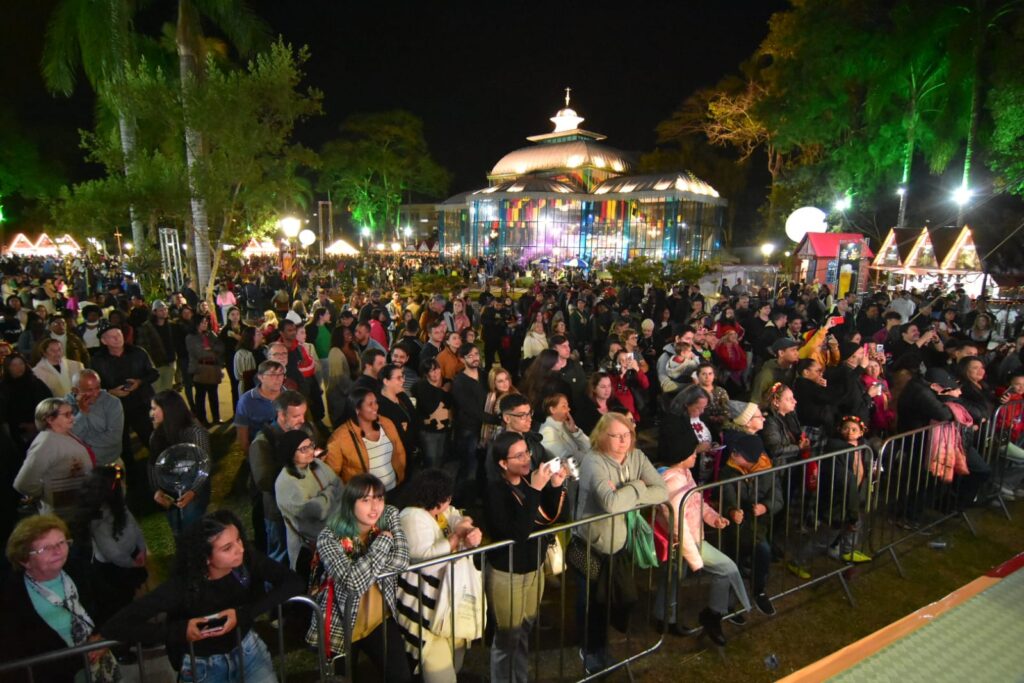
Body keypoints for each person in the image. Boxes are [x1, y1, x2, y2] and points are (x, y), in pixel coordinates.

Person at [103, 510, 302, 683]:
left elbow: (294, 582)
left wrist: (244, 614)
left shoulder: (247, 561)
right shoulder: (182, 587)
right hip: (203, 668)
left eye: (239, 539)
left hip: (249, 652)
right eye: (227, 548)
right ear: (205, 557)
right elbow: (117, 625)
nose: (240, 549)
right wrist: (180, 631)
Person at [572, 412, 667, 673]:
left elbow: (661, 490)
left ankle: (601, 646)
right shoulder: (594, 462)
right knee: (589, 600)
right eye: (616, 435)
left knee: (613, 598)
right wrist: (638, 487)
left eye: (627, 435)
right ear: (602, 436)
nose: (623, 441)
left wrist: (627, 492)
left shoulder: (637, 456)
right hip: (588, 545)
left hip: (619, 544)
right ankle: (588, 649)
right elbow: (611, 504)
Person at [308, 473, 412, 682]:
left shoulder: (389, 514)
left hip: (379, 619)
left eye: (379, 498)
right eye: (366, 500)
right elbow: (353, 584)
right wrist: (383, 542)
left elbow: (402, 561)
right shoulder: (329, 537)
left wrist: (361, 569)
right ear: (349, 503)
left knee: (400, 677)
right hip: (341, 625)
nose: (375, 507)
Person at [484, 432, 566, 683]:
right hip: (507, 573)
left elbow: (551, 519)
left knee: (524, 631)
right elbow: (519, 532)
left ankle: (519, 679)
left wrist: (554, 486)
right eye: (518, 455)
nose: (526, 459)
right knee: (507, 636)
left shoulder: (530, 483)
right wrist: (537, 489)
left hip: (534, 568)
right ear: (502, 463)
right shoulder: (494, 491)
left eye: (527, 452)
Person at [654, 441, 750, 645]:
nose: (696, 454)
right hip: (682, 543)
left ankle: (673, 617)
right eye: (692, 451)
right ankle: (673, 619)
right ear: (680, 456)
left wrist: (713, 518)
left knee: (675, 578)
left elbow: (697, 502)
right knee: (678, 578)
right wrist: (696, 560)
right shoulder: (672, 481)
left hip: (690, 540)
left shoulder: (684, 474)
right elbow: (679, 525)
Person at [396, 469, 483, 683]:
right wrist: (456, 539)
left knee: (455, 659)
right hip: (425, 609)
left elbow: (457, 516)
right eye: (446, 496)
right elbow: (427, 561)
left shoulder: (441, 512)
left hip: (448, 603)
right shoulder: (412, 517)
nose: (450, 501)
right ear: (434, 497)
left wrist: (466, 527)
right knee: (440, 672)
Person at [1, 515, 109, 683]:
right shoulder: (10, 596)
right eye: (45, 548)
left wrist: (101, 636)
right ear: (24, 560)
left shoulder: (80, 570)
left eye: (61, 542)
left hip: (97, 663)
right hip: (51, 675)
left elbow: (106, 605)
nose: (58, 551)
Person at [718, 400, 781, 617]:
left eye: (739, 453)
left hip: (758, 528)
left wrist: (765, 507)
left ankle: (759, 591)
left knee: (763, 554)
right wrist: (732, 510)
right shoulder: (729, 471)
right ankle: (728, 603)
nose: (733, 455)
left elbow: (777, 498)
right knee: (731, 563)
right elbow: (727, 496)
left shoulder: (766, 471)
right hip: (735, 530)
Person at [70, 465, 148, 625]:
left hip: (129, 559)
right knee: (119, 604)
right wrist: (131, 563)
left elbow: (134, 524)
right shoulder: (98, 522)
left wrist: (141, 548)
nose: (124, 486)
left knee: (129, 596)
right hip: (114, 571)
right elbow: (112, 553)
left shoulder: (119, 506)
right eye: (121, 484)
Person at [275, 429, 341, 574]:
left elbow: (339, 486)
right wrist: (330, 492)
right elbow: (318, 511)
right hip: (310, 549)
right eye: (303, 449)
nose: (311, 451)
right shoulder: (286, 483)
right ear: (290, 453)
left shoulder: (316, 464)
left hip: (336, 537)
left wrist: (324, 496)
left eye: (311, 445)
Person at [14, 398, 93, 515]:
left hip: (77, 505)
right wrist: (48, 493)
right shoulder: (46, 443)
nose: (72, 417)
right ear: (50, 419)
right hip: (63, 512)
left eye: (72, 413)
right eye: (67, 414)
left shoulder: (65, 433)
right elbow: (23, 483)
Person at [149, 389, 212, 535]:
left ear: (168, 409)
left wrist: (193, 491)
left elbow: (205, 463)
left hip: (192, 487)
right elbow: (153, 464)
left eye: (154, 409)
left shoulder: (195, 432)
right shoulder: (157, 434)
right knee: (177, 530)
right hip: (169, 489)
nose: (151, 414)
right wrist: (157, 490)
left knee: (193, 530)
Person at [325, 387, 407, 491]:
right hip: (366, 499)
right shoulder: (339, 438)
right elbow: (331, 476)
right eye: (370, 404)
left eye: (375, 402)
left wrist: (400, 475)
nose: (376, 407)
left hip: (394, 489)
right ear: (357, 409)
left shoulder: (386, 423)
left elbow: (399, 452)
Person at [68, 369, 125, 467]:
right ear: (75, 390)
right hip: (82, 465)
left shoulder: (112, 402)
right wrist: (82, 413)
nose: (95, 393)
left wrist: (84, 443)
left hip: (110, 461)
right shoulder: (66, 405)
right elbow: (69, 436)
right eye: (89, 390)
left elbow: (114, 437)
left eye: (98, 387)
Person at [659, 385, 715, 480]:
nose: (702, 411)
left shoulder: (702, 416)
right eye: (698, 408)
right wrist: (696, 449)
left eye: (704, 408)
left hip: (706, 468)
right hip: (686, 473)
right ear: (686, 404)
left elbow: (712, 432)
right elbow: (671, 451)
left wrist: (714, 445)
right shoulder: (673, 421)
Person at [1, 352, 54, 452]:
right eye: (14, 365)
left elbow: (47, 403)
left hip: (41, 427)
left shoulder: (35, 382)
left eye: (21, 364)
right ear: (8, 368)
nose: (19, 367)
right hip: (16, 432)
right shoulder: (4, 387)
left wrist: (36, 424)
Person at [234, 360, 286, 451]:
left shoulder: (290, 396)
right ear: (260, 377)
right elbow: (242, 436)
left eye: (281, 374)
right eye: (273, 375)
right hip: (259, 450)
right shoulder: (247, 401)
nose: (278, 378)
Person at [411, 357, 452, 468]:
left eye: (437, 369)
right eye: (431, 370)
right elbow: (430, 407)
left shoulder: (446, 383)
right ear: (425, 374)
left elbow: (449, 404)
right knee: (431, 461)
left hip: (443, 429)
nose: (435, 372)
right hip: (428, 431)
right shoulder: (421, 387)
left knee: (440, 460)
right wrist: (442, 390)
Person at [186, 315, 225, 426]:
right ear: (196, 323)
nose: (205, 324)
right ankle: (202, 419)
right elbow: (198, 353)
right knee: (200, 396)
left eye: (206, 322)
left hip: (213, 368)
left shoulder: (211, 334)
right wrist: (213, 351)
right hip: (200, 368)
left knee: (213, 395)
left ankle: (216, 418)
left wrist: (210, 349)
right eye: (202, 322)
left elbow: (221, 347)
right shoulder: (190, 337)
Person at [378, 363, 418, 463]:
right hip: (394, 456)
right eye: (399, 378)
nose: (403, 380)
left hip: (408, 449)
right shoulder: (380, 406)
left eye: (403, 376)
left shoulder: (402, 395)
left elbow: (413, 416)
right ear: (386, 381)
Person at [761, 383, 808, 467]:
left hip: (792, 465)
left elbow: (796, 434)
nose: (795, 401)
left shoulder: (790, 414)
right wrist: (798, 448)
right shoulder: (769, 422)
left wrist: (802, 439)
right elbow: (775, 450)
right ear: (776, 402)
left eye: (793, 398)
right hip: (780, 470)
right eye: (789, 399)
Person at [537, 393, 590, 462]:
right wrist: (591, 459)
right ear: (552, 410)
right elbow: (567, 458)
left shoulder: (567, 424)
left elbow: (590, 447)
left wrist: (575, 431)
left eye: (567, 406)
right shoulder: (547, 432)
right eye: (564, 406)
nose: (569, 409)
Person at [574, 371, 626, 435]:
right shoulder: (586, 410)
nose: (607, 390)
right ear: (593, 388)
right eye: (603, 387)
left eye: (609, 386)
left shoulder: (615, 403)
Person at [219, 307, 246, 413]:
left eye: (237, 314)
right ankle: (237, 410)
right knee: (235, 385)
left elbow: (248, 341)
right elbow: (222, 346)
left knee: (245, 384)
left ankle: (245, 409)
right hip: (231, 361)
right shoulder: (225, 331)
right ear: (229, 316)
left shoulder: (245, 328)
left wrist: (235, 336)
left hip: (244, 360)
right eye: (233, 314)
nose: (235, 317)